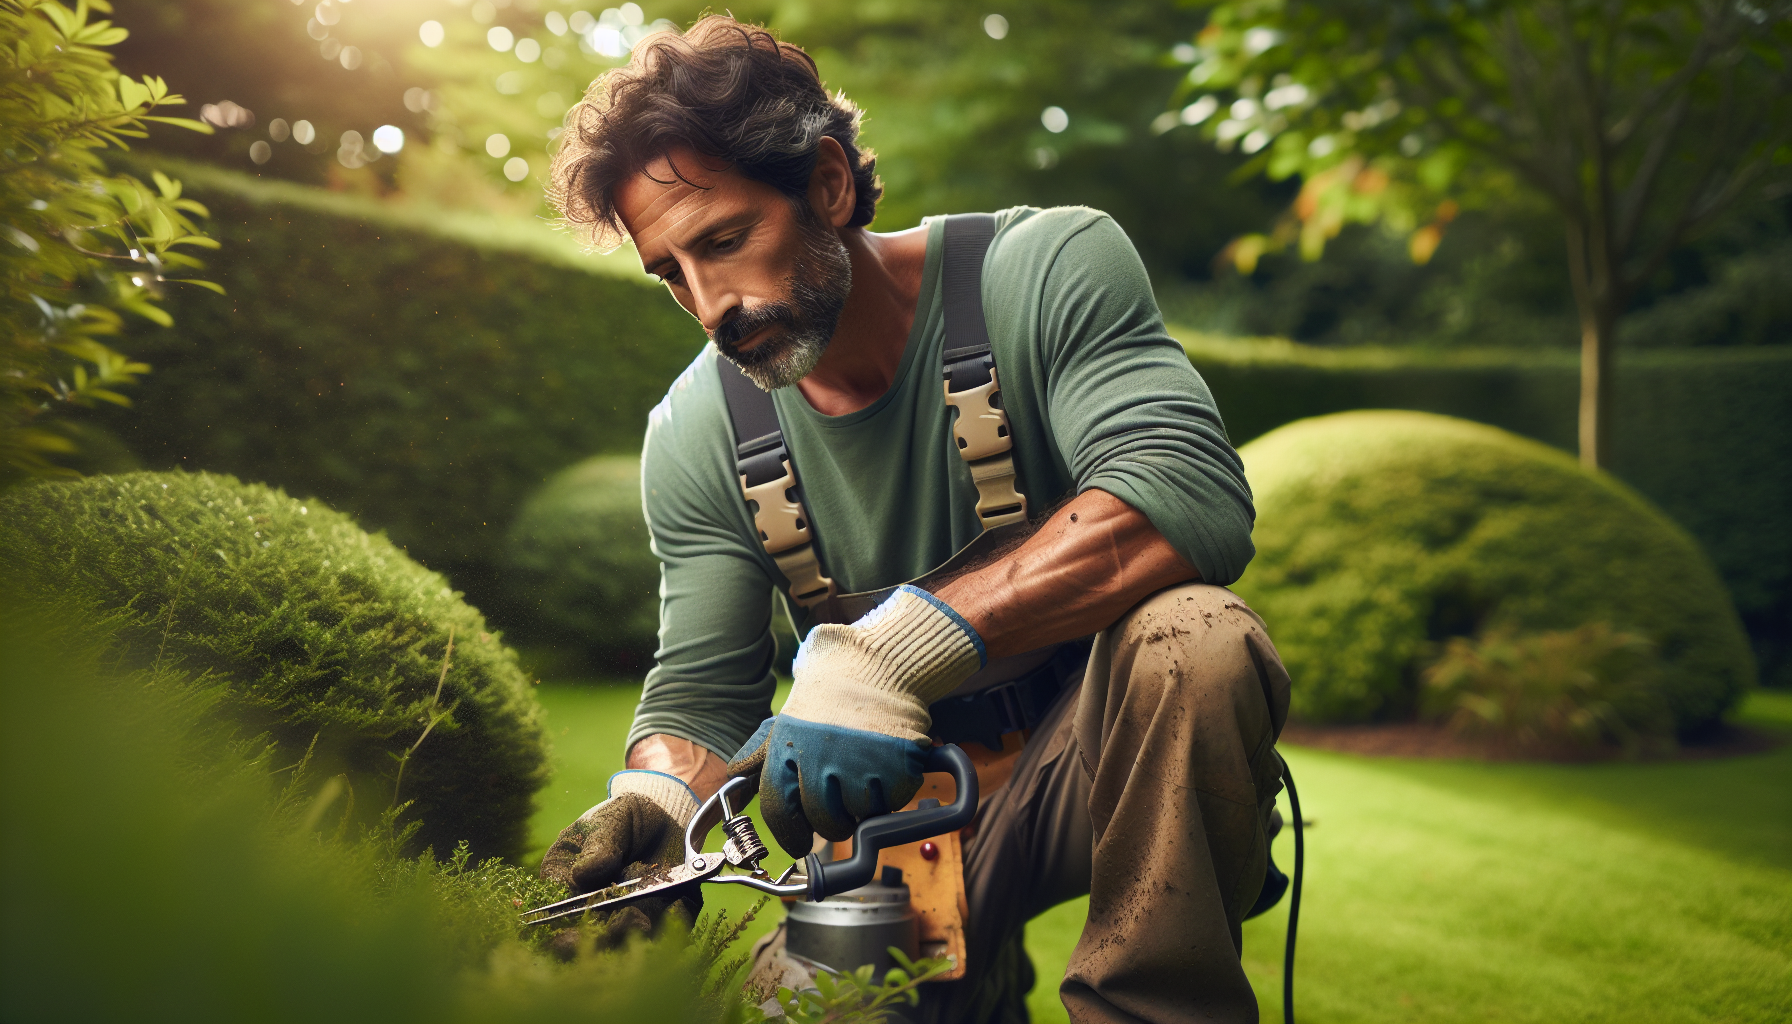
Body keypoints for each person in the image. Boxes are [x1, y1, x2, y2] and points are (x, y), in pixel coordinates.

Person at [537, 16, 1291, 1024]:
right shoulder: (693, 430)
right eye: (671, 272)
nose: (711, 303)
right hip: (900, 822)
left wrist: (884, 654)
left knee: (1196, 636)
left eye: (723, 240)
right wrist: (661, 796)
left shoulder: (1044, 266)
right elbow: (703, 689)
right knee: (834, 1011)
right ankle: (959, 987)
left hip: (1105, 763)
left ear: (829, 185)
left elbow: (1183, 489)